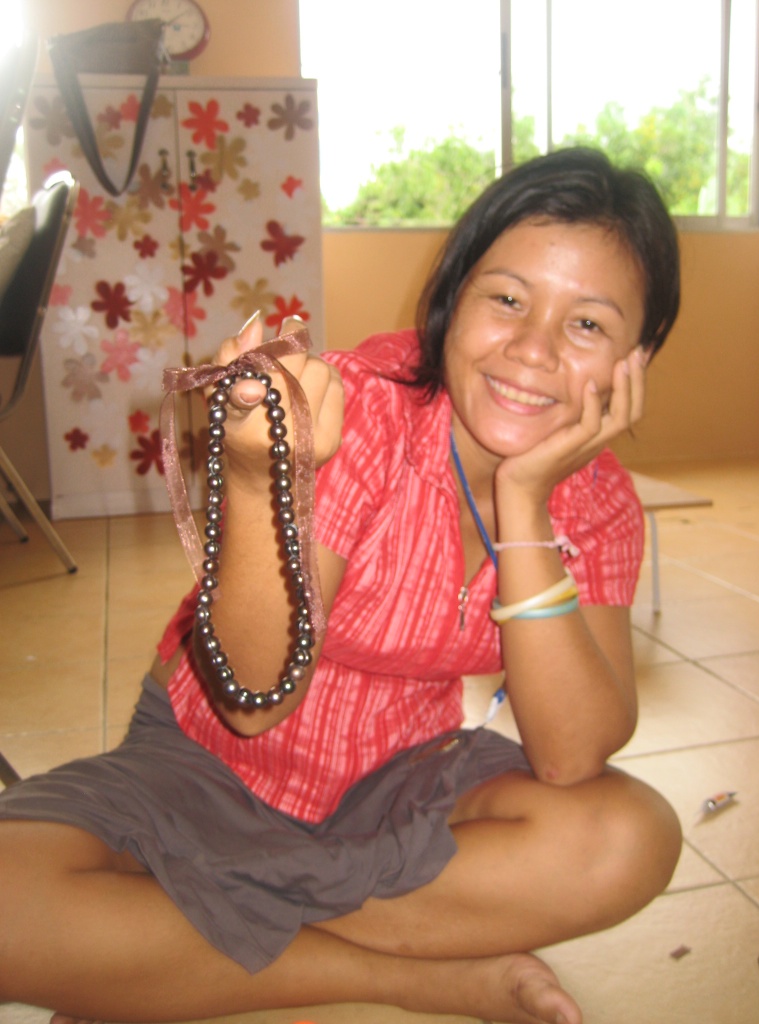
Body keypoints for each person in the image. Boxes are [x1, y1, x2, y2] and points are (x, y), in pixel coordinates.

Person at [0, 147, 683, 1024]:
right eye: (507, 300)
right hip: (200, 766)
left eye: (587, 324)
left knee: (628, 839)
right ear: (452, 298)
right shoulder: (360, 411)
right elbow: (251, 703)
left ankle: (175, 927)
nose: (533, 349)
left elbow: (571, 756)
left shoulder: (599, 501)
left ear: (637, 358)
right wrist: (256, 482)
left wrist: (525, 502)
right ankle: (414, 977)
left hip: (397, 784)